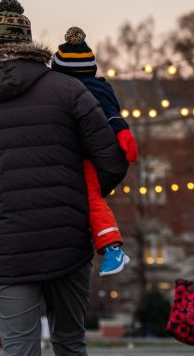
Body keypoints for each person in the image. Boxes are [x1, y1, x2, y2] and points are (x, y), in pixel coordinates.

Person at [0, 0, 129, 356]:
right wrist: (82, 195)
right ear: (30, 46)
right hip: (67, 235)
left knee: (19, 349)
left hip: (8, 241)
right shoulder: (67, 89)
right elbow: (112, 157)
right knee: (70, 344)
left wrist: (5, 193)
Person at [50, 26, 138, 276]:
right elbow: (113, 114)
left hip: (85, 156)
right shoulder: (93, 88)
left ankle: (111, 246)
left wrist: (122, 133)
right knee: (89, 199)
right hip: (73, 154)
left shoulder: (87, 90)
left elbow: (111, 115)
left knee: (91, 198)